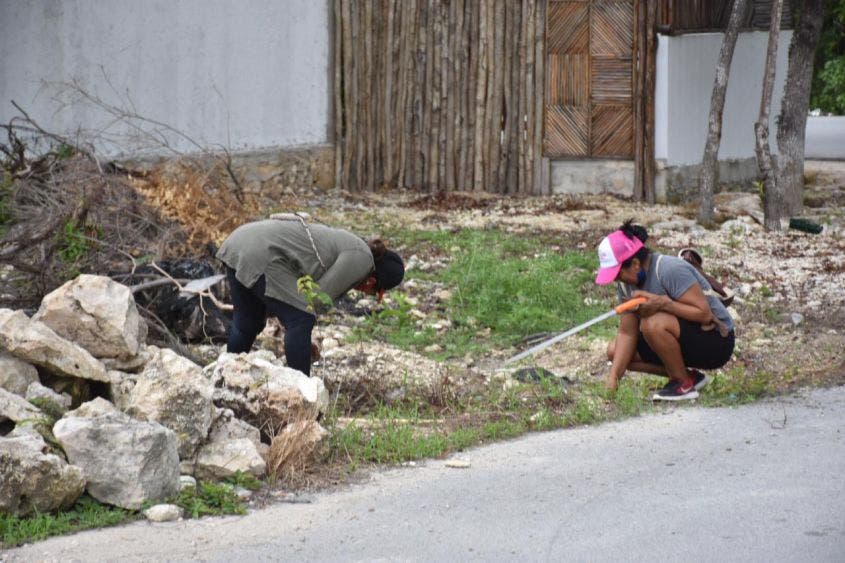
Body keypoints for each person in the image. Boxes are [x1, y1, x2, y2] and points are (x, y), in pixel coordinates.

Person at [216, 214, 404, 376]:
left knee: (247, 323)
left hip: (239, 241)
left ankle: (225, 377)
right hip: (261, 253)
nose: (365, 292)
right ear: (372, 282)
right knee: (301, 318)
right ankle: (301, 393)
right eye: (372, 292)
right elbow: (317, 298)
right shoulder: (363, 259)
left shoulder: (352, 242)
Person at [595, 220, 735, 401]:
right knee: (616, 352)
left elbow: (704, 314)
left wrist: (662, 303)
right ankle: (689, 377)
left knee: (652, 323)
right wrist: (613, 379)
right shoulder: (625, 285)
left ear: (635, 264)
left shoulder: (669, 269)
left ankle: (681, 383)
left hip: (716, 341)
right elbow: (627, 333)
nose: (616, 280)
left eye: (617, 274)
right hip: (682, 339)